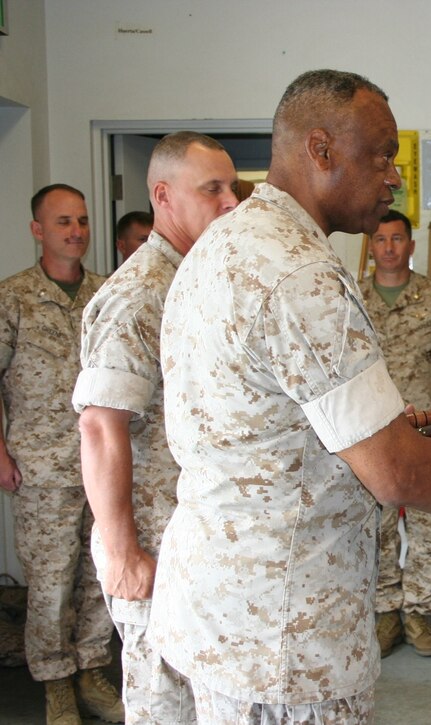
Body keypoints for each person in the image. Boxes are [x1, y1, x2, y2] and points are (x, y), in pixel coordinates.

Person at [148, 69, 431, 723]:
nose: (394, 175)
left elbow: (270, 420)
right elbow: (396, 473)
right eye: (381, 155)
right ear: (321, 150)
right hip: (285, 635)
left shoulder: (221, 244)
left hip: (215, 610)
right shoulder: (301, 273)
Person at [74, 132, 239, 723]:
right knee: (164, 706)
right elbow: (99, 425)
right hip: (153, 546)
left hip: (197, 540)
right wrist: (122, 553)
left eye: (233, 187)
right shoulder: (140, 293)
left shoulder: (195, 279)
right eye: (212, 188)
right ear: (163, 196)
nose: (231, 202)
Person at [0, 184, 121, 725]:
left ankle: (92, 668)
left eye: (82, 221)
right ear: (37, 230)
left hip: (106, 462)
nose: (76, 231)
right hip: (42, 466)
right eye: (63, 222)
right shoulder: (13, 297)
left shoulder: (107, 293)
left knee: (101, 571)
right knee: (50, 579)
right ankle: (54, 681)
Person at [361, 209, 431, 658]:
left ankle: (418, 614)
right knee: (378, 526)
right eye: (380, 238)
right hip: (372, 433)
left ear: (411, 246)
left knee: (430, 523)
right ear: (371, 246)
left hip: (430, 432)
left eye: (397, 239)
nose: (389, 247)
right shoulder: (352, 299)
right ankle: (386, 613)